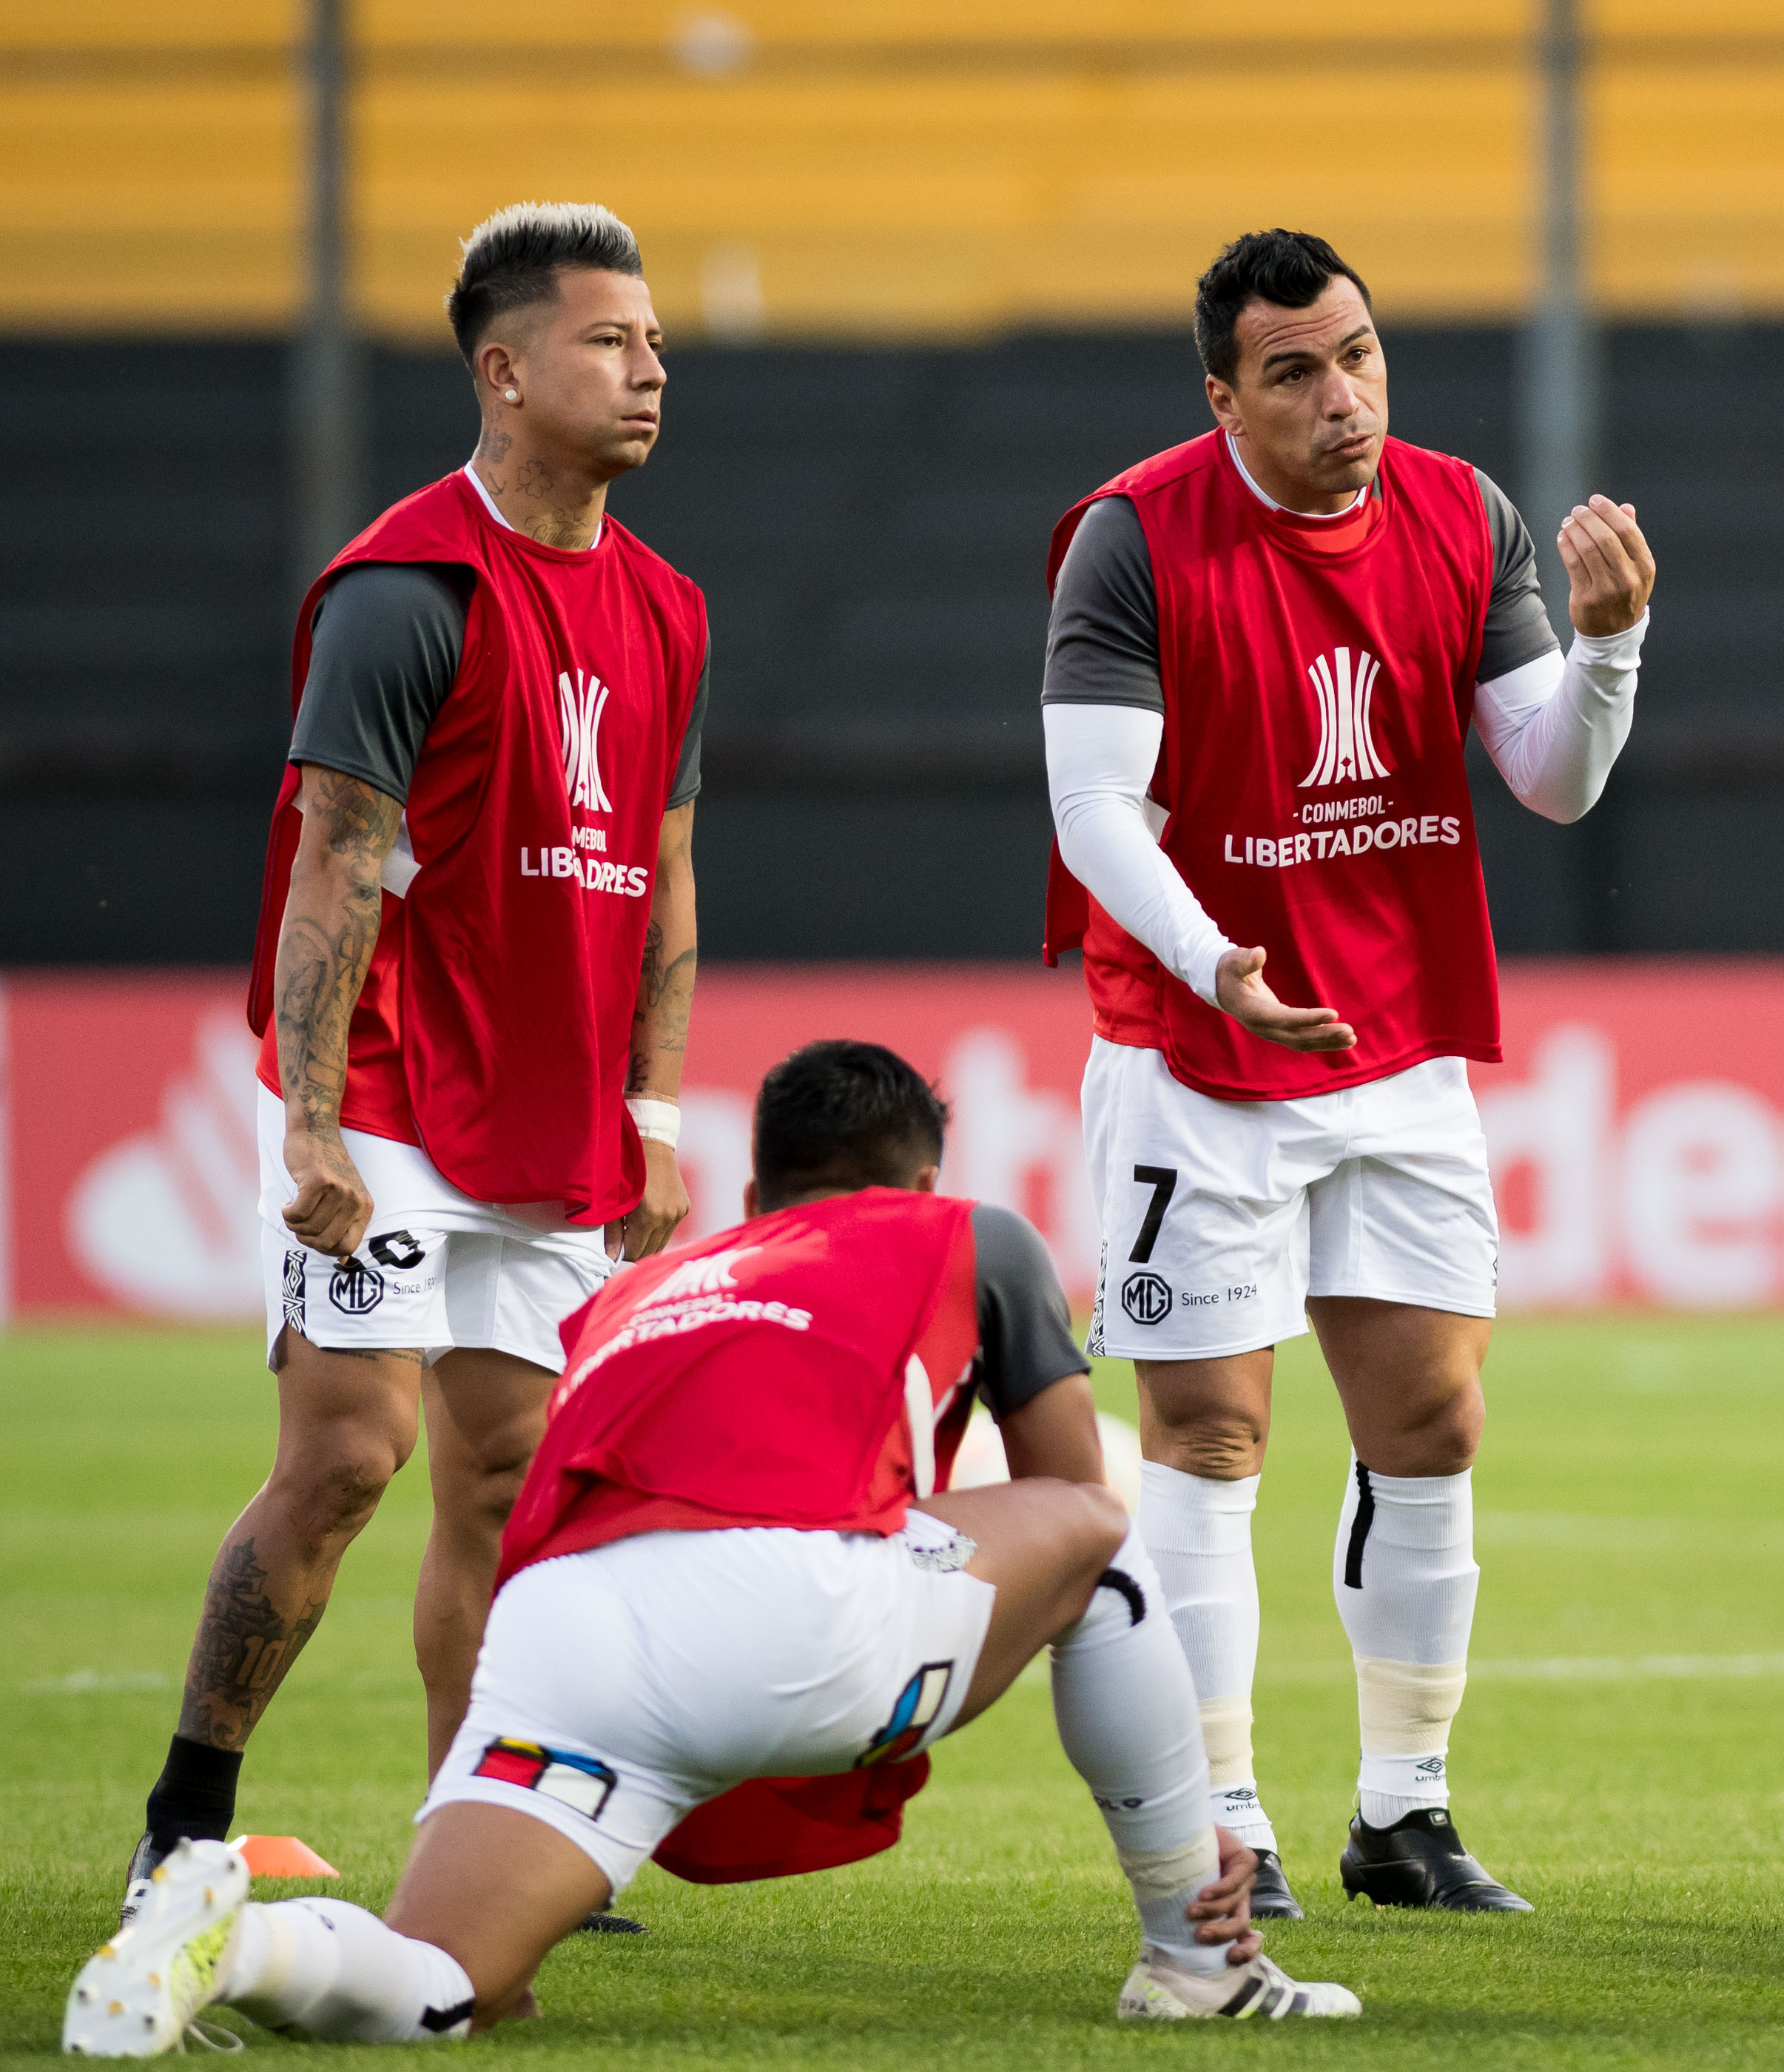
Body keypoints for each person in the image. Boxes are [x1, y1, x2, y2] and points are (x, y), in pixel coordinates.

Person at [64, 1040, 1361, 2055]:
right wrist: (1190, 1816)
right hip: (784, 1620)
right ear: (921, 1182)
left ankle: (233, 1948)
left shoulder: (644, 1286)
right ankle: (1199, 1963)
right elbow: (1069, 1498)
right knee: (1101, 1540)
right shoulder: (968, 1235)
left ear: (754, 1196)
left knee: (454, 1989)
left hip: (562, 1632)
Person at [1039, 228, 1657, 1918]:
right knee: (1209, 1429)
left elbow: (1551, 781)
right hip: (1195, 1048)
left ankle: (1404, 1812)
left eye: (1361, 356)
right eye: (1296, 371)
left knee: (1436, 1418)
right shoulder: (1132, 537)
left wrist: (1607, 652)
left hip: (1393, 1044)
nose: (1343, 398)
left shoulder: (1467, 514)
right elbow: (1093, 807)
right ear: (1223, 391)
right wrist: (1211, 960)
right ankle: (1222, 1811)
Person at [126, 204, 710, 1920]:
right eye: (611, 339)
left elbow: (665, 871)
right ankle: (186, 1808)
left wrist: (654, 1106)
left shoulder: (668, 608)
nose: (650, 365)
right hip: (381, 1083)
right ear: (505, 369)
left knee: (515, 1477)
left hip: (548, 1103)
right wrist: (309, 1120)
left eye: (655, 337)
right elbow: (332, 854)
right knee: (350, 1455)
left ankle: (481, 1834)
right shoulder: (411, 588)